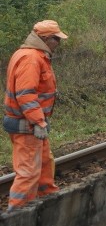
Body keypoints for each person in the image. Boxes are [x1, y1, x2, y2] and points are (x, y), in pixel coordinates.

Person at [4, 20, 68, 211]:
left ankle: (46, 200)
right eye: (57, 39)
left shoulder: (36, 56)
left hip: (33, 124)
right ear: (46, 39)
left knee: (44, 163)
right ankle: (16, 214)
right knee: (29, 172)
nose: (59, 43)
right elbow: (26, 95)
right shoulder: (31, 58)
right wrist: (39, 122)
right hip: (28, 126)